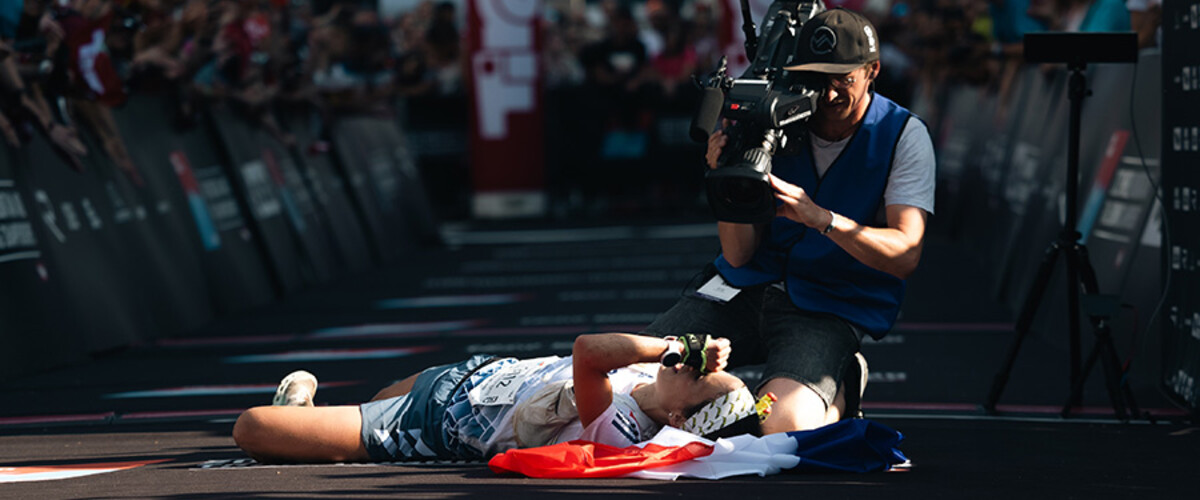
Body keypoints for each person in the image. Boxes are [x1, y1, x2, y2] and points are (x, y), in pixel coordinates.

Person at [643, 8, 935, 434]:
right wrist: (726, 177)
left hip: (829, 304)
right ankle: (732, 393)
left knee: (783, 427)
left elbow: (906, 255)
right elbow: (739, 255)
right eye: (817, 78)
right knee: (637, 377)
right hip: (745, 289)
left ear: (873, 69)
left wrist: (822, 219)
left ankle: (839, 387)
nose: (830, 94)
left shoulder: (903, 135)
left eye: (842, 78)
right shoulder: (773, 115)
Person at [233, 333, 769, 464]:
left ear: (677, 415)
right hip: (478, 375)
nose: (691, 365)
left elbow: (588, 351)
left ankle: (293, 417)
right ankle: (304, 417)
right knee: (367, 401)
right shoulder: (649, 377)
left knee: (254, 430)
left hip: (433, 423)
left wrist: (679, 344)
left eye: (698, 375)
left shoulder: (621, 428)